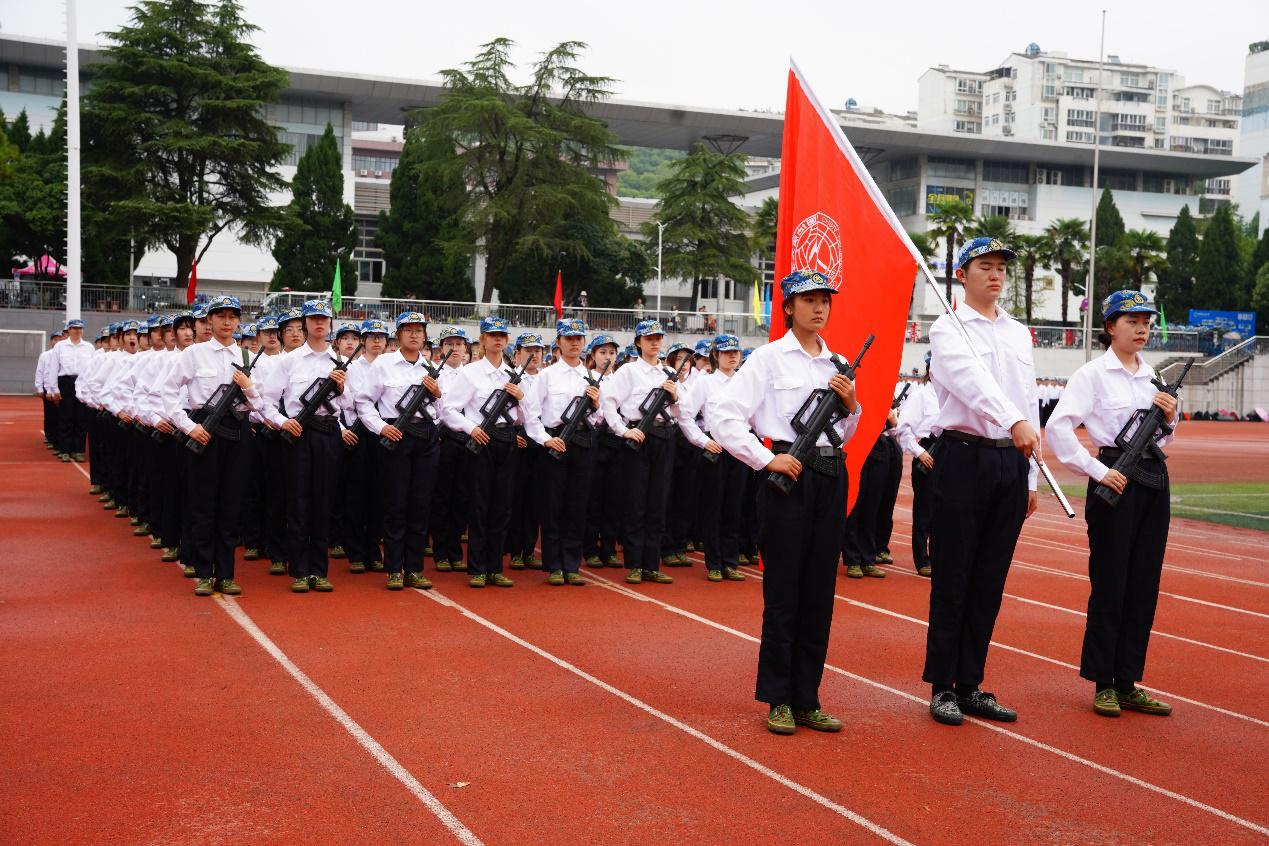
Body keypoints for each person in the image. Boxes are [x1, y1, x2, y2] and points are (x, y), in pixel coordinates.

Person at [712, 269, 859, 736]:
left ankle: (807, 698)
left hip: (830, 475)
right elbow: (723, 415)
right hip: (787, 477)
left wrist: (851, 406)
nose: (819, 308)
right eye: (809, 300)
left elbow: (844, 433)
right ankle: (778, 698)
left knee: (819, 592)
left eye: (825, 300)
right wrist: (764, 459)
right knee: (783, 594)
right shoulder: (768, 359)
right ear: (789, 307)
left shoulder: (838, 363)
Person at [923, 237, 1039, 727]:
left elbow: (1028, 400)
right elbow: (972, 384)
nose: (995, 275)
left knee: (990, 579)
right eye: (984, 266)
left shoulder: (1017, 333)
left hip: (1010, 461)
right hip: (963, 457)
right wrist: (1014, 421)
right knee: (954, 576)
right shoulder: (948, 328)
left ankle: (971, 683)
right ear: (962, 275)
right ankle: (943, 686)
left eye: (1001, 268)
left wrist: (1030, 475)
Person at [1046, 290, 1179, 718]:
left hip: (1152, 479)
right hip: (1114, 480)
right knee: (1111, 583)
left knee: (1144, 584)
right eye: (1131, 321)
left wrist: (1170, 417)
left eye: (1145, 322)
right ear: (1110, 327)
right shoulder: (1092, 375)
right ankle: (1104, 682)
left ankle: (1127, 681)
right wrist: (1096, 470)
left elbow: (1164, 439)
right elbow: (1058, 429)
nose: (1141, 329)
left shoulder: (1151, 375)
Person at [163, 296, 261, 596]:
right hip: (204, 430)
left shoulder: (246, 357)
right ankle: (204, 571)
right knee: (203, 503)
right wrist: (188, 426)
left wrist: (249, 388)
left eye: (232, 316)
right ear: (209, 321)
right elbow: (168, 391)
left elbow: (259, 404)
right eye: (221, 316)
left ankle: (226, 574)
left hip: (237, 432)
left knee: (232, 504)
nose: (227, 322)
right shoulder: (194, 354)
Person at [261, 300, 352, 594]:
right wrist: (282, 422)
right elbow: (266, 402)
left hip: (329, 433)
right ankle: (299, 570)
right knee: (298, 501)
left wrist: (341, 387)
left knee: (324, 502)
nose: (319, 323)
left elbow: (350, 404)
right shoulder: (289, 361)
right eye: (314, 319)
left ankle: (319, 570)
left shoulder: (339, 361)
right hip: (299, 434)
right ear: (304, 324)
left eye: (324, 318)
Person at [355, 312, 441, 591]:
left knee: (420, 504)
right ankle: (394, 568)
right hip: (396, 435)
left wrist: (437, 394)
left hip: (425, 437)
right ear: (398, 334)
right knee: (396, 503)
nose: (414, 335)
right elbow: (364, 402)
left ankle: (414, 568)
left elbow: (441, 411)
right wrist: (381, 428)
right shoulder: (383, 364)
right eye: (408, 330)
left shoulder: (430, 367)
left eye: (419, 330)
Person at [441, 316, 524, 588]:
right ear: (482, 340)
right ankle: (477, 567)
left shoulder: (513, 375)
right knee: (479, 505)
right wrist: (471, 428)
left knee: (503, 506)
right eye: (492, 335)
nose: (497, 340)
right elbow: (449, 409)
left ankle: (495, 567)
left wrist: (521, 398)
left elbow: (526, 417)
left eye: (502, 335)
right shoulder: (470, 373)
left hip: (507, 440)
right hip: (481, 440)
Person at [600, 319, 680, 585]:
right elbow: (609, 403)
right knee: (636, 502)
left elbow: (682, 412)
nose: (655, 342)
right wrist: (623, 431)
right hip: (639, 437)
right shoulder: (629, 371)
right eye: (649, 338)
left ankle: (651, 565)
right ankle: (635, 564)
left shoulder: (669, 372)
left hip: (664, 436)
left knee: (658, 502)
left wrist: (675, 397)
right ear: (638, 342)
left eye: (658, 338)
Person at [678, 333, 747, 583]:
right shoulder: (705, 383)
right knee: (713, 507)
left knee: (734, 507)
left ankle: (730, 561)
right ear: (716, 355)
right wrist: (702, 440)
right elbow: (684, 414)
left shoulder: (745, 382)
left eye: (735, 352)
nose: (732, 356)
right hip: (715, 448)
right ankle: (714, 563)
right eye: (726, 352)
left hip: (739, 448)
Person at [342, 318, 389, 575]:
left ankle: (373, 550)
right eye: (372, 337)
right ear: (364, 341)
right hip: (358, 434)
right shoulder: (352, 367)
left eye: (381, 337)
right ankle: (355, 552)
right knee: (356, 495)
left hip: (383, 433)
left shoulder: (390, 366)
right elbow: (346, 402)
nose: (377, 341)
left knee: (379, 495)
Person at [430, 326, 472, 574]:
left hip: (468, 439)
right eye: (449, 344)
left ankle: (455, 551)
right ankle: (441, 552)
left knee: (463, 497)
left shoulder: (472, 374)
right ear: (441, 348)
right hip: (443, 438)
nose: (454, 349)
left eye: (458, 344)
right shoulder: (434, 374)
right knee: (442, 496)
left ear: (466, 348)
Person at [582, 335, 623, 568]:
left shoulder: (621, 379)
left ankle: (609, 548)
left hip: (617, 440)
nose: (608, 357)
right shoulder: (586, 378)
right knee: (593, 496)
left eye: (611, 353)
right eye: (603, 352)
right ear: (593, 355)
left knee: (614, 497)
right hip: (594, 438)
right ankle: (590, 548)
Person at [895, 367, 941, 577]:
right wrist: (918, 452)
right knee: (925, 511)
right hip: (927, 453)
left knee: (946, 510)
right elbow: (902, 429)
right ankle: (922, 559)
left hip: (947, 454)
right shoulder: (920, 396)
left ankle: (939, 557)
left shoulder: (952, 397)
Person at [507, 332, 546, 571]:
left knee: (535, 499)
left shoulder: (546, 378)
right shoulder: (510, 377)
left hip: (540, 442)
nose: (534, 355)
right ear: (517, 354)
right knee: (516, 498)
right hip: (517, 440)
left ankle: (529, 549)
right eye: (528, 351)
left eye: (538, 351)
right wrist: (515, 436)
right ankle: (515, 550)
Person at [49, 318, 96, 462]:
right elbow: (53, 368)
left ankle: (78, 450)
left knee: (81, 418)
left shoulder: (89, 347)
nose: (77, 331)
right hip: (65, 383)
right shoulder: (60, 346)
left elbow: (92, 370)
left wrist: (91, 389)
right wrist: (54, 389)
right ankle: (65, 450)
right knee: (66, 417)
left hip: (83, 384)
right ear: (69, 330)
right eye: (74, 328)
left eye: (80, 328)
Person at [35, 330, 63, 450]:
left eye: (60, 339)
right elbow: (40, 372)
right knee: (50, 414)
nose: (57, 342)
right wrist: (39, 387)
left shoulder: (65, 355)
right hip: (48, 388)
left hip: (61, 389)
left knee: (62, 415)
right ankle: (50, 437)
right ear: (51, 341)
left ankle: (59, 438)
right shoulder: (45, 355)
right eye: (55, 339)